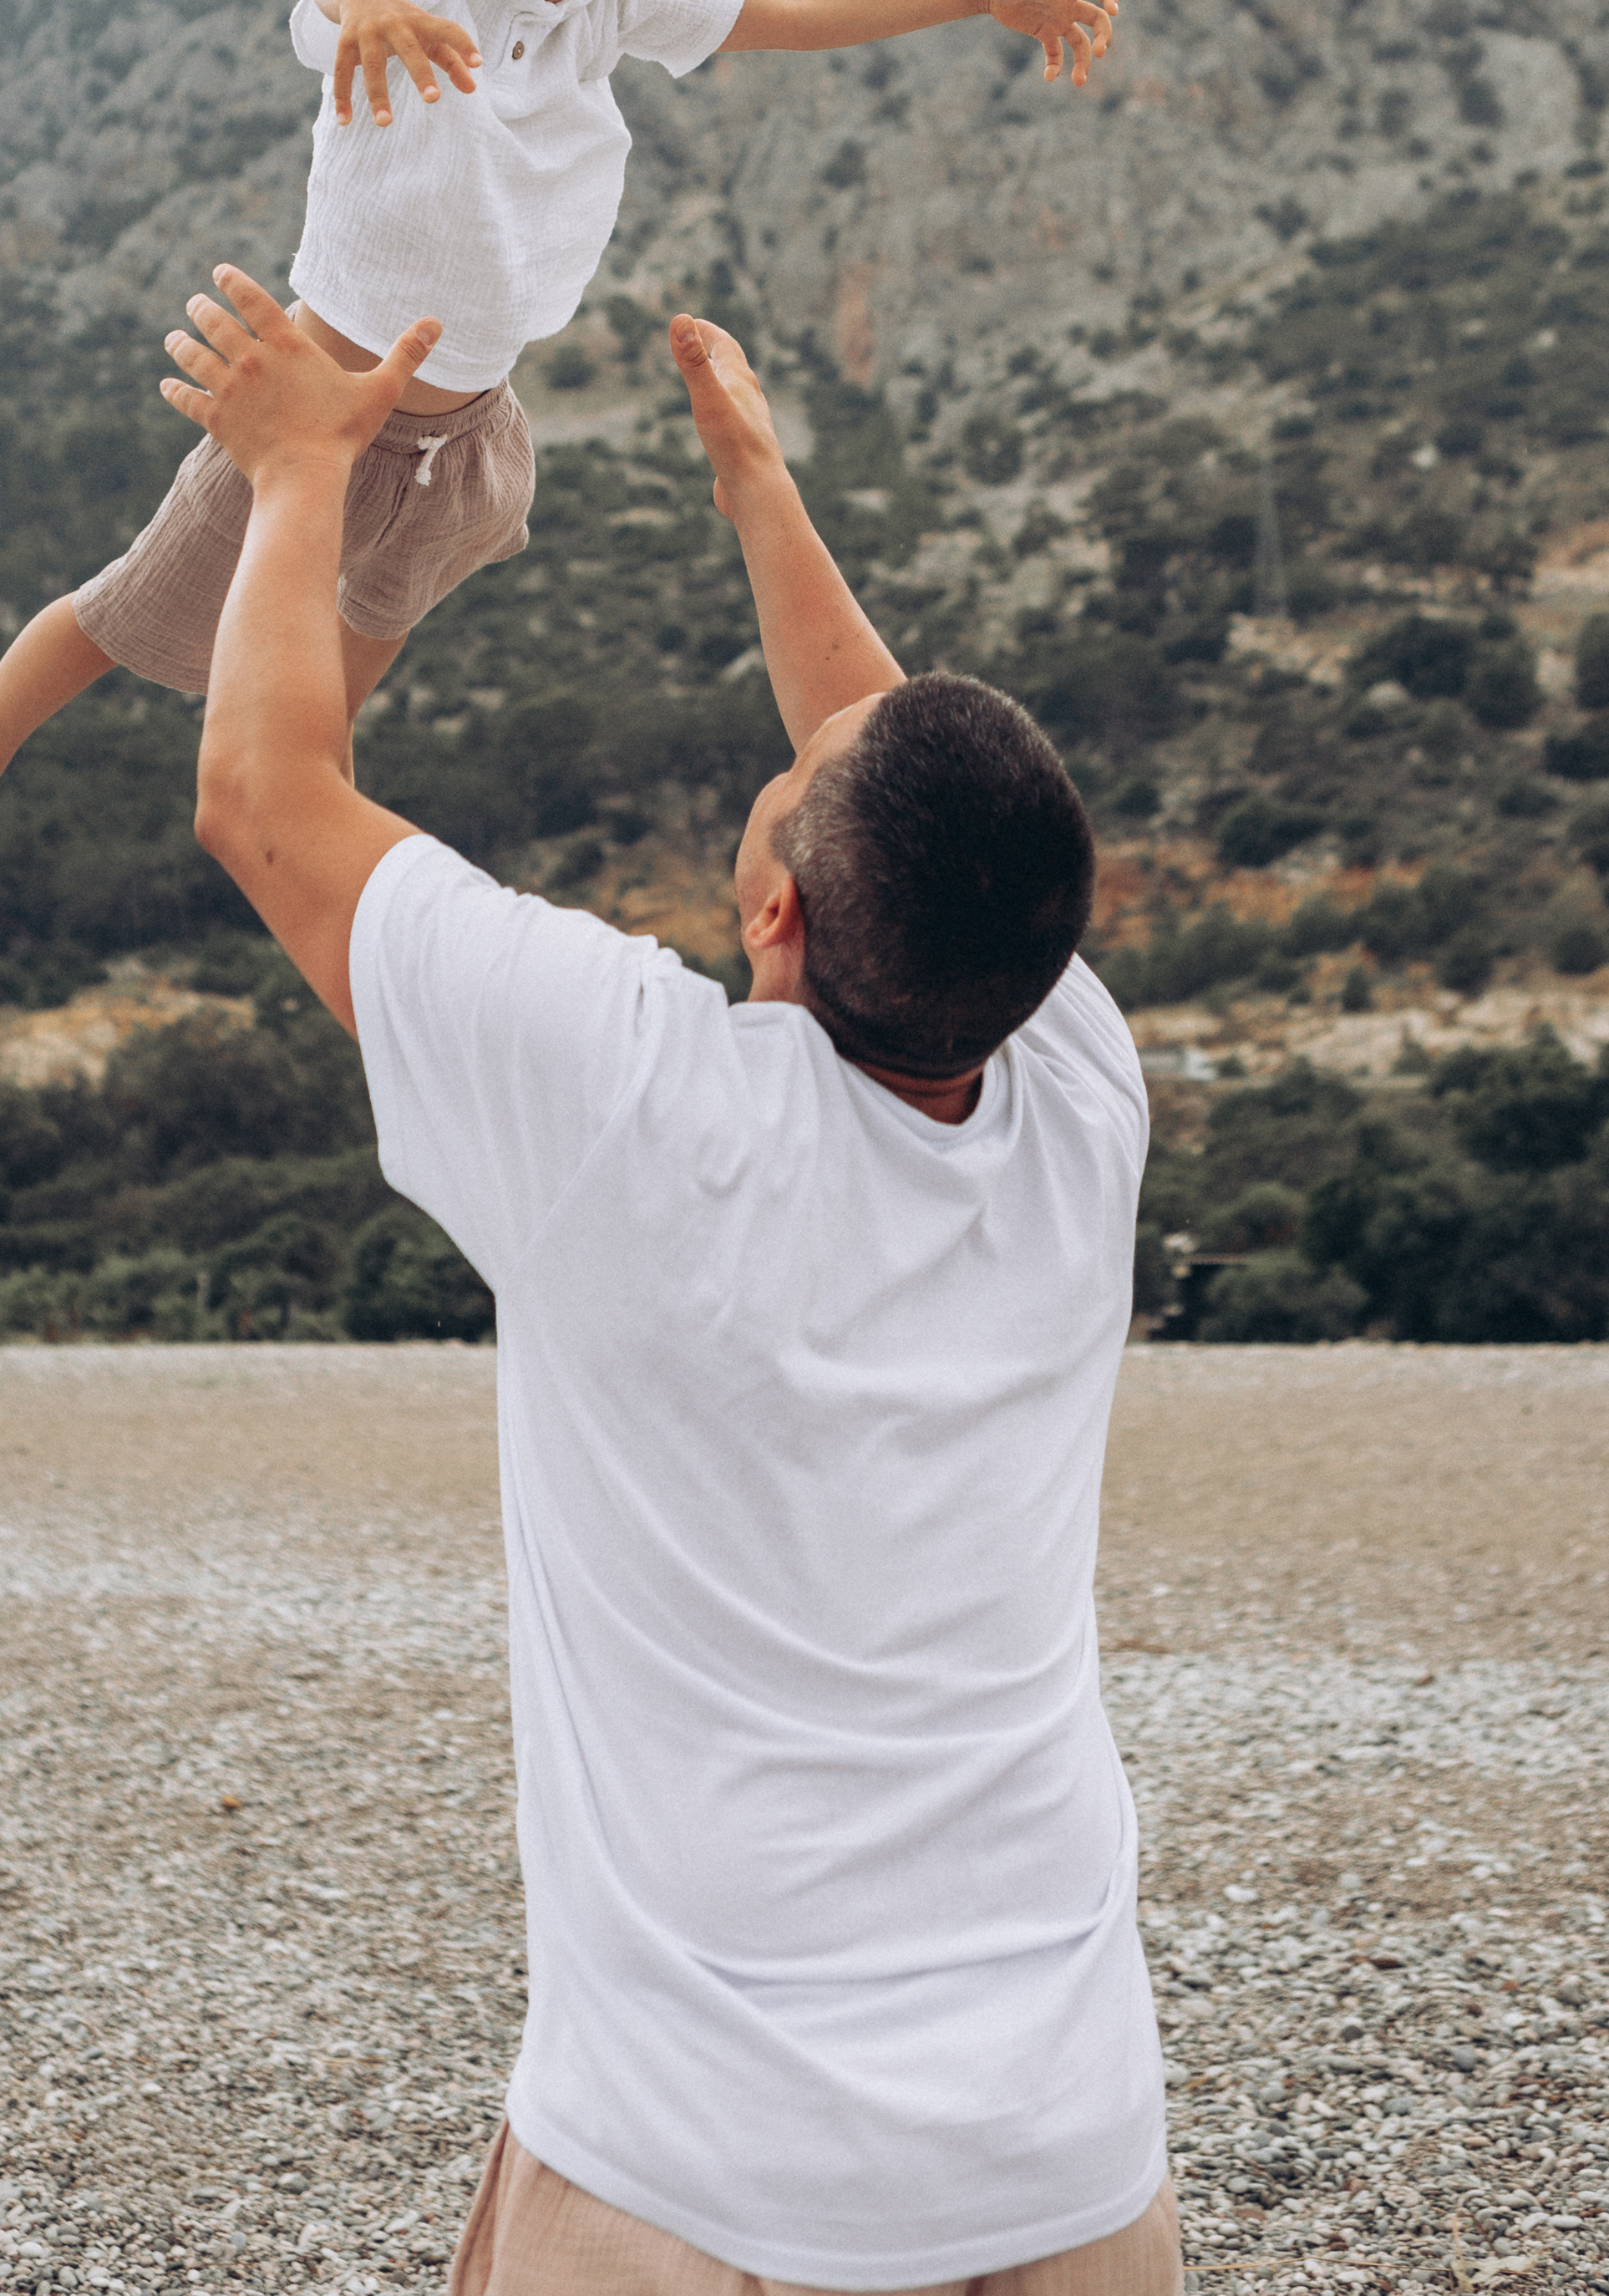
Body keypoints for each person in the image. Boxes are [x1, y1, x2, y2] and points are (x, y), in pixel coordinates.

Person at [163, 261, 1177, 2296]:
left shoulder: (631, 1105)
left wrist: (288, 474)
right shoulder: (1076, 1093)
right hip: (1061, 2160)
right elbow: (894, 774)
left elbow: (263, 801)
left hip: (691, 2175)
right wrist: (753, 488)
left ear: (775, 912)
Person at [0, 0, 1119, 912]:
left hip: (469, 434)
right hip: (320, 408)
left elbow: (794, 6)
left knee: (351, 656)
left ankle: (317, 822)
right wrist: (371, 3)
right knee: (137, 609)